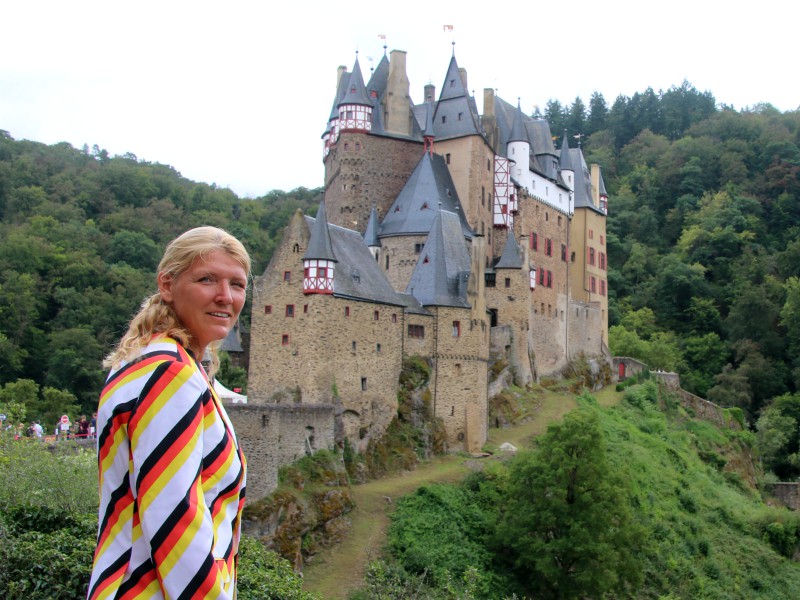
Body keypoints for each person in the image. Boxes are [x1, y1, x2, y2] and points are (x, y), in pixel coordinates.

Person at [87, 226, 250, 600]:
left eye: (237, 285)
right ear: (167, 284)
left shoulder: (146, 359)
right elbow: (176, 524)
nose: (225, 297)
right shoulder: (168, 371)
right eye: (207, 279)